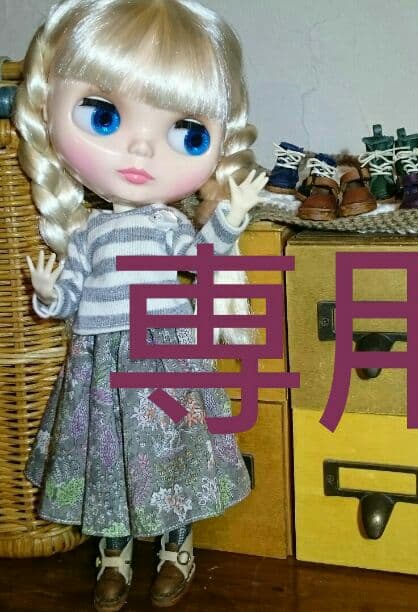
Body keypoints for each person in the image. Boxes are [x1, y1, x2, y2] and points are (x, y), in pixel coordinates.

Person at [13, 1, 266, 609]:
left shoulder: (167, 223)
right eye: (103, 116)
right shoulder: (87, 233)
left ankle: (177, 548)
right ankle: (113, 554)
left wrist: (228, 221)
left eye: (186, 133)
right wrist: (48, 293)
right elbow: (70, 298)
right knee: (107, 460)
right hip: (99, 366)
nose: (141, 149)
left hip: (164, 361)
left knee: (173, 452)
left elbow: (201, 257)